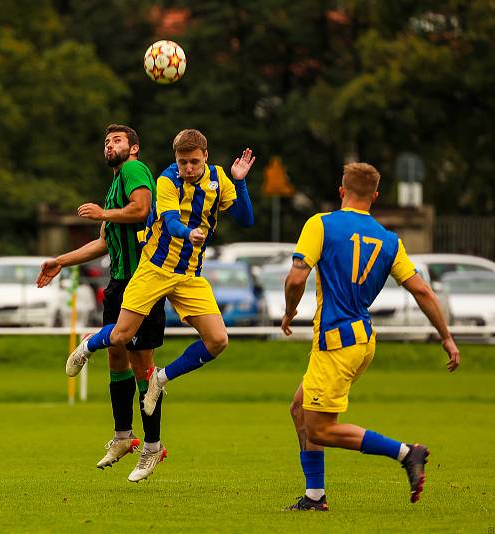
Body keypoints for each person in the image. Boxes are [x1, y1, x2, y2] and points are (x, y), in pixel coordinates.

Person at [65, 129, 255, 481]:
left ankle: (162, 380)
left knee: (218, 341)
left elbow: (246, 219)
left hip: (190, 276)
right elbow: (168, 221)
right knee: (121, 336)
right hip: (154, 269)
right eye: (183, 162)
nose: (188, 169)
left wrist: (240, 182)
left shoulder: (219, 179)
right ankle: (91, 343)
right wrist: (189, 233)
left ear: (206, 156)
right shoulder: (166, 180)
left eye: (194, 162)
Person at [281, 162, 461, 511]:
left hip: (336, 342)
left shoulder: (321, 224)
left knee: (319, 430)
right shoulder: (390, 240)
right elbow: (422, 291)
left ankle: (408, 453)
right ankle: (315, 497)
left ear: (341, 190)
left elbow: (294, 279)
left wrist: (289, 311)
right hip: (362, 341)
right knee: (299, 408)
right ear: (375, 196)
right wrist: (447, 337)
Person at [37, 124, 168, 481]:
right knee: (117, 355)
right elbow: (104, 242)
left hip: (144, 281)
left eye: (118, 140)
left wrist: (102, 214)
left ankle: (153, 448)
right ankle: (124, 437)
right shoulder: (115, 185)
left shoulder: (133, 170)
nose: (110, 145)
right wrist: (61, 260)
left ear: (134, 147)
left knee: (143, 364)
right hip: (119, 281)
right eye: (107, 141)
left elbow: (141, 210)